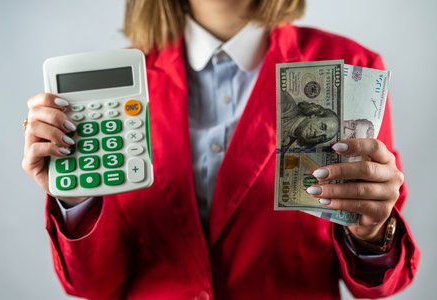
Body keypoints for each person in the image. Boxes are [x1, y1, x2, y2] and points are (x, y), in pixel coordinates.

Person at [22, 0, 420, 299]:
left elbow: (383, 282)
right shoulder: (115, 86)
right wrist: (76, 197)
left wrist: (371, 232)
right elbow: (93, 285)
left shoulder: (350, 64)